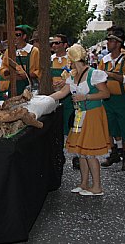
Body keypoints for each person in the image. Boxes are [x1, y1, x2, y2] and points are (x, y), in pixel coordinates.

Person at [48, 44, 111, 196]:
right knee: (81, 152)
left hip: (93, 114)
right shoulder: (73, 76)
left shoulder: (94, 74)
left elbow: (106, 94)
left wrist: (86, 96)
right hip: (80, 114)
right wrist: (43, 99)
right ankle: (84, 183)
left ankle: (97, 187)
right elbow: (62, 93)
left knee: (89, 152)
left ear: (73, 59)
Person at [98, 26, 125, 171]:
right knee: (109, 127)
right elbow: (99, 77)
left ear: (118, 43)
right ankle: (113, 153)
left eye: (110, 41)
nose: (108, 43)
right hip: (109, 99)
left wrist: (111, 74)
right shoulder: (105, 60)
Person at [50, 34, 78, 169]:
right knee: (57, 126)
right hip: (55, 96)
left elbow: (77, 76)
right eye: (53, 44)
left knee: (72, 125)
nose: (54, 46)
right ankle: (58, 155)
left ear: (65, 45)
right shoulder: (50, 59)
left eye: (57, 43)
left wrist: (66, 82)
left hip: (70, 97)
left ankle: (76, 155)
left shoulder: (71, 60)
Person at [1, 25, 40, 95]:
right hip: (13, 87)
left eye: (18, 35)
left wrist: (27, 75)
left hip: (29, 87)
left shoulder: (34, 51)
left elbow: (39, 70)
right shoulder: (9, 51)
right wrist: (9, 72)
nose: (15, 37)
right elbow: (3, 67)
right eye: (13, 35)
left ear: (24, 36)